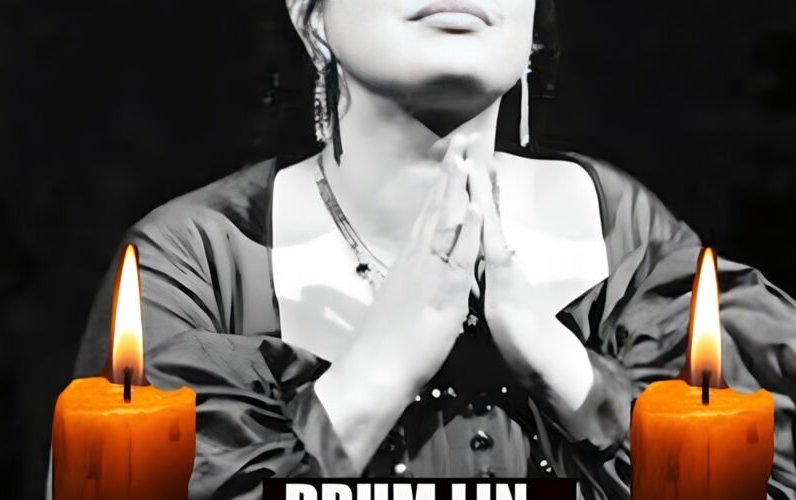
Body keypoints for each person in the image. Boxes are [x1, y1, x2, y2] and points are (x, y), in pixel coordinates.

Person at [70, 0, 796, 498]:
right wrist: (379, 369)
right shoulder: (197, 258)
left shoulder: (628, 233)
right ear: (311, 18)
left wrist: (565, 370)